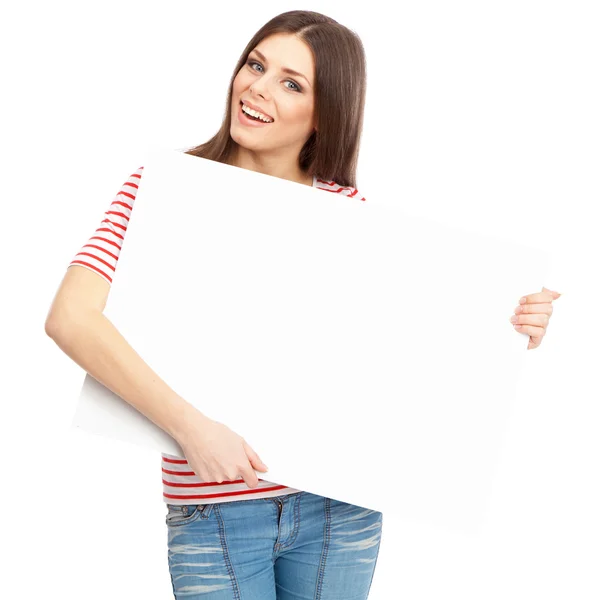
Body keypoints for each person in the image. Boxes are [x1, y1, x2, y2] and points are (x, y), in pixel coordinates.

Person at [44, 9, 561, 600]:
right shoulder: (165, 188)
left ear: (323, 115)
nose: (258, 88)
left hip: (342, 510)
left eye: (292, 83)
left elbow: (401, 348)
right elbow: (71, 318)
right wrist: (192, 430)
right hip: (217, 516)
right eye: (257, 65)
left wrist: (509, 319)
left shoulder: (348, 210)